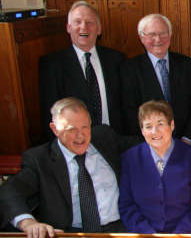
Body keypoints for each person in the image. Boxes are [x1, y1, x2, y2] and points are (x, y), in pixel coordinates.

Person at [0, 97, 138, 237]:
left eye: (85, 127)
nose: (80, 136)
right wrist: (28, 223)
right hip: (70, 234)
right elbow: (9, 192)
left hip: (121, 230)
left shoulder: (105, 138)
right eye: (72, 129)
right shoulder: (40, 159)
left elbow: (143, 143)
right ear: (55, 129)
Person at [39, 1, 126, 140]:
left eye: (90, 22)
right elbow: (50, 113)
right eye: (77, 22)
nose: (83, 27)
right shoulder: (52, 64)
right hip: (74, 142)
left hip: (114, 140)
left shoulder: (117, 59)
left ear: (99, 29)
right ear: (68, 27)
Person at [118, 100, 191, 233]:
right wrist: (148, 234)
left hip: (187, 233)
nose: (154, 131)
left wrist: (179, 235)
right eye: (148, 126)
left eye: (160, 124)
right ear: (142, 131)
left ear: (172, 125)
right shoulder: (130, 159)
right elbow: (126, 205)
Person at [120, 14, 191, 146]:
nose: (158, 39)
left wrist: (188, 138)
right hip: (150, 145)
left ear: (170, 35)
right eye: (151, 34)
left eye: (163, 33)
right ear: (142, 37)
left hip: (186, 143)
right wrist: (151, 142)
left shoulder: (186, 63)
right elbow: (129, 112)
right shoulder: (130, 69)